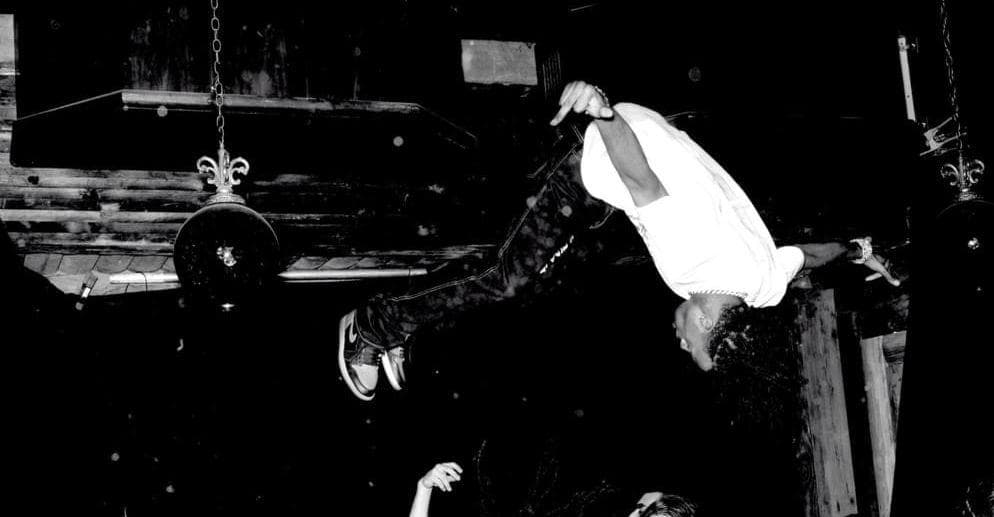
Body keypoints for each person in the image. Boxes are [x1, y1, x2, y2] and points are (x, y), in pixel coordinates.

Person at [338, 80, 900, 400]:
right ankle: (374, 325)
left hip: (648, 148)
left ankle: (407, 313)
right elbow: (640, 180)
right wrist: (601, 114)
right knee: (506, 280)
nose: (681, 344)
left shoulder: (763, 289)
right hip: (596, 160)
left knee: (547, 282)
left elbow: (808, 257)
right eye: (692, 348)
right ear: (707, 324)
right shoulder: (692, 258)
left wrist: (857, 250)